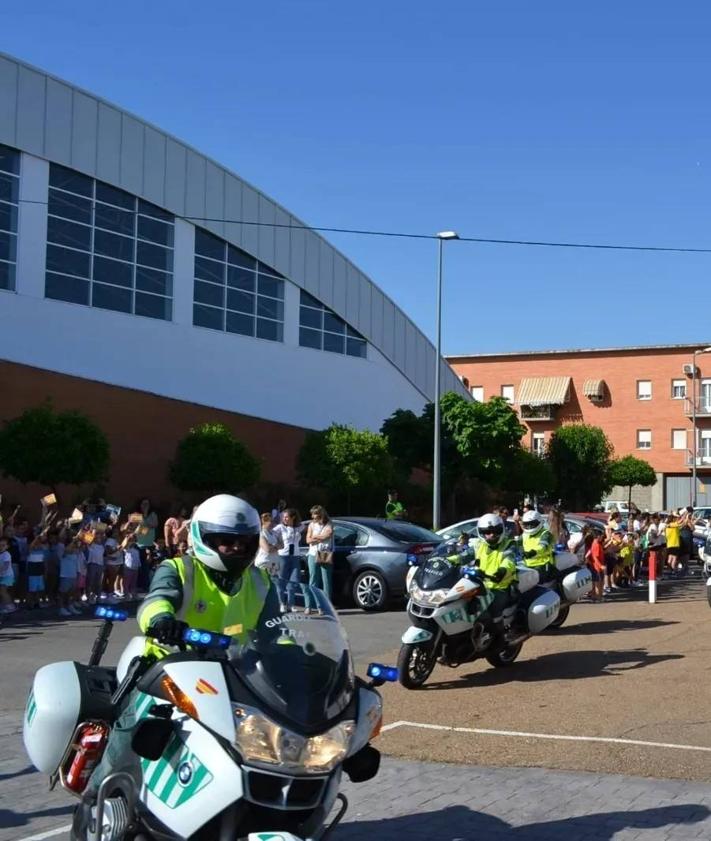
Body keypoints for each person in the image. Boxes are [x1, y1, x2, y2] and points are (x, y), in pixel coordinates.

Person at [85, 494, 272, 810]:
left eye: (243, 542)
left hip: (234, 677)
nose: (236, 548)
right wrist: (162, 621)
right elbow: (155, 600)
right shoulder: (179, 568)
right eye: (225, 541)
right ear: (203, 537)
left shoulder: (261, 580)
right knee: (133, 730)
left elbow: (279, 623)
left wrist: (300, 649)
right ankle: (95, 802)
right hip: (169, 671)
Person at [473, 513, 518, 633]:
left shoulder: (509, 544)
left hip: (500, 587)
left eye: (495, 531)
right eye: (487, 532)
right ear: (481, 533)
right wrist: (448, 559)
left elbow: (510, 560)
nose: (492, 535)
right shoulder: (479, 545)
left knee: (493, 611)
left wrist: (502, 571)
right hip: (480, 585)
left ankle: (499, 639)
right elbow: (464, 555)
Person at [272, 508, 304, 613]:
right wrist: (275, 546)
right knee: (281, 581)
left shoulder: (299, 528)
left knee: (293, 581)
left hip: (295, 557)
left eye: (286, 517)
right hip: (283, 556)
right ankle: (281, 603)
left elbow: (305, 527)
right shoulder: (280, 527)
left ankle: (291, 604)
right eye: (283, 517)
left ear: (293, 517)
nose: (284, 519)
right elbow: (268, 533)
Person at [304, 505, 334, 613]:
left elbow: (328, 535)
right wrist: (319, 537)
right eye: (312, 514)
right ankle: (310, 606)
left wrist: (315, 537)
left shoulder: (328, 523)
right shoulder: (311, 525)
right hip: (312, 553)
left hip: (324, 553)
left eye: (314, 514)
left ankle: (325, 607)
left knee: (326, 581)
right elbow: (308, 540)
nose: (313, 516)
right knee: (313, 580)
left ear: (320, 514)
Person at [520, 510, 556, 581]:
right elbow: (516, 543)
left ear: (539, 522)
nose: (529, 527)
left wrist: (533, 552)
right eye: (527, 524)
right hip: (527, 565)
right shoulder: (525, 534)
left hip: (543, 565)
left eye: (532, 524)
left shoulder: (546, 534)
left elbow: (543, 546)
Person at [0, 536, 16, 614]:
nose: (1, 547)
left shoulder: (6, 554)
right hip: (2, 576)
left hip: (7, 576)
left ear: (7, 546)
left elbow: (6, 565)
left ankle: (11, 607)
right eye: (0, 545)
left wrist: (1, 570)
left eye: (3, 545)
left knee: (3, 591)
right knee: (2, 591)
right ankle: (5, 606)